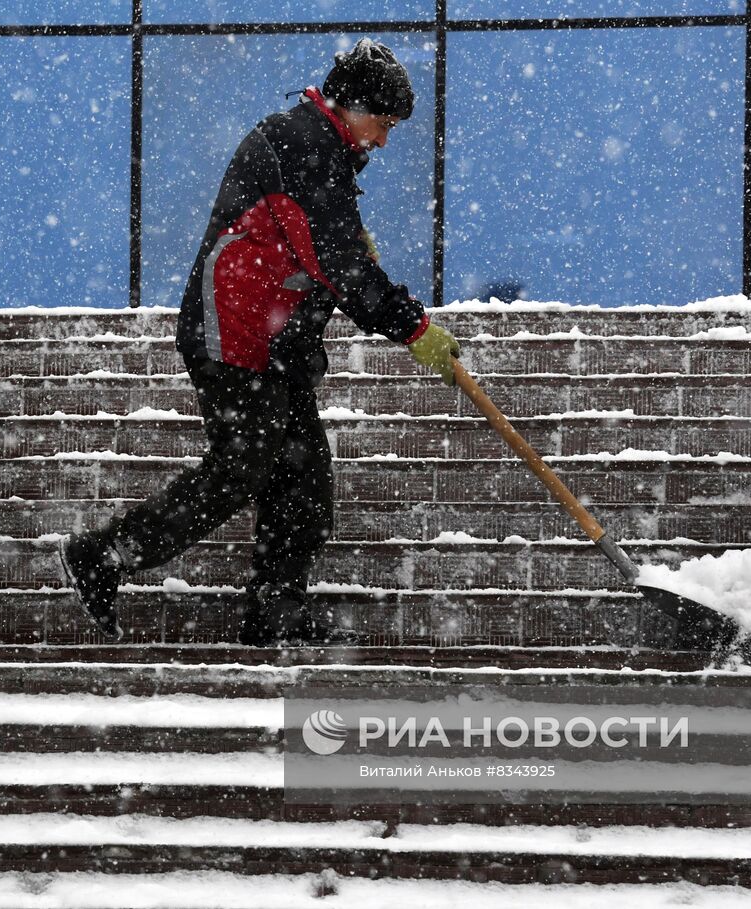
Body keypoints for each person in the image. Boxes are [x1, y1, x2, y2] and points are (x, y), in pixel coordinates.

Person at [59, 38, 460, 646]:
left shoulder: (316, 147)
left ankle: (275, 611)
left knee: (303, 479)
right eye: (382, 124)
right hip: (236, 333)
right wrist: (414, 326)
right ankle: (104, 555)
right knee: (244, 463)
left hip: (277, 344)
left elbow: (322, 254)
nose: (382, 141)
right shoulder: (306, 146)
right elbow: (341, 266)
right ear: (352, 106)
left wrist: (347, 254)